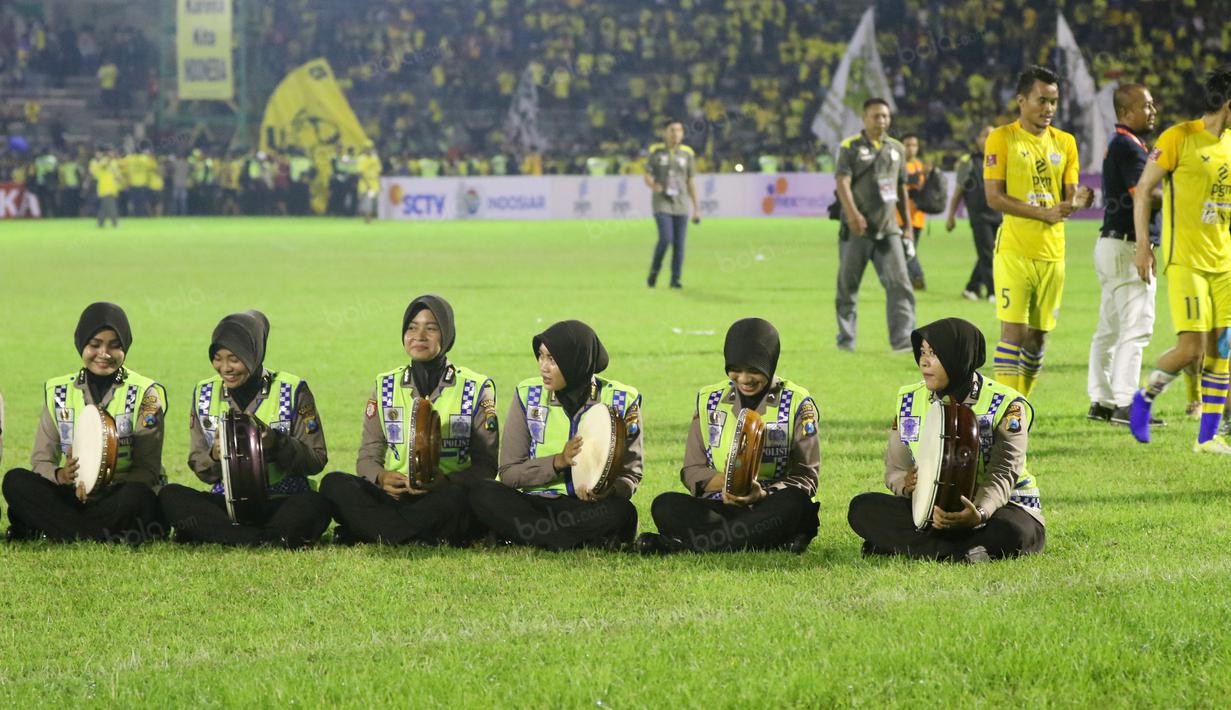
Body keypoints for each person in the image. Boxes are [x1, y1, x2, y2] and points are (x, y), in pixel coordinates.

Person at [847, 318, 1045, 562]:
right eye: (922, 352)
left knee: (1012, 531)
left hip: (1000, 508)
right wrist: (905, 484)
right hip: (933, 510)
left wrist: (978, 513)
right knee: (862, 508)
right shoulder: (909, 400)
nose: (924, 361)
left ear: (959, 356)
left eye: (934, 353)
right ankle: (964, 552)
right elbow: (895, 468)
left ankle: (912, 546)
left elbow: (1003, 473)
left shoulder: (1006, 404)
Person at [320, 295, 498, 546]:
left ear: (447, 334)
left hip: (445, 495)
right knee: (334, 484)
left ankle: (376, 532)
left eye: (431, 328)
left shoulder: (475, 387)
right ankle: (414, 534)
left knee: (465, 500)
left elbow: (486, 466)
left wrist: (445, 482)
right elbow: (368, 456)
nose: (419, 336)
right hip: (397, 497)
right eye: (412, 328)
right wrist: (381, 477)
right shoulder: (385, 385)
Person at [639, 318, 820, 554]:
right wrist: (730, 484)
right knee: (665, 505)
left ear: (770, 363)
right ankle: (760, 539)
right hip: (722, 505)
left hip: (770, 504)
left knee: (796, 503)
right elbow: (692, 470)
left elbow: (806, 477)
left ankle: (685, 547)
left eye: (754, 370)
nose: (744, 379)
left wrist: (760, 493)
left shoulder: (796, 402)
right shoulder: (709, 399)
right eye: (736, 370)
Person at [159, 311, 332, 546]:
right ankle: (266, 538)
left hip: (282, 499)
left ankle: (226, 535)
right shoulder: (204, 394)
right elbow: (201, 467)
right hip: (227, 503)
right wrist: (214, 456)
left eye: (234, 359)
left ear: (254, 354)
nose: (225, 368)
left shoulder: (291, 390)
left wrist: (277, 442)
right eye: (217, 358)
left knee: (316, 504)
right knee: (171, 495)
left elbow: (316, 460)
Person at [468, 321, 642, 550]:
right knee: (483, 492)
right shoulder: (528, 394)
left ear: (576, 360)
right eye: (540, 356)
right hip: (535, 504)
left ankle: (528, 536)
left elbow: (631, 474)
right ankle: (573, 541)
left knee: (622, 512)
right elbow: (509, 473)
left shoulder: (622, 399)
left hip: (585, 510)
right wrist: (557, 462)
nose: (543, 367)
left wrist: (609, 490)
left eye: (552, 359)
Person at [1129, 67, 1231, 453]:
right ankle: (1144, 398)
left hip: (1224, 262)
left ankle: (1208, 437)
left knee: (1222, 349)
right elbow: (1143, 190)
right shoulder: (1179, 137)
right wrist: (1143, 245)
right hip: (1186, 260)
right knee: (1191, 349)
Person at [3, 303, 166, 543]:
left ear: (126, 346)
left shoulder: (145, 393)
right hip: (74, 494)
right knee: (15, 481)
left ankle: (59, 530)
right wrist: (61, 476)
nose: (104, 353)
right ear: (81, 344)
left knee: (137, 497)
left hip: (119, 495)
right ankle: (101, 534)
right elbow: (41, 461)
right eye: (95, 344)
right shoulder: (59, 391)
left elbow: (147, 470)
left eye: (114, 345)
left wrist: (100, 488)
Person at [984, 65, 1094, 396]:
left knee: (1037, 338)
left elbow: (1069, 197)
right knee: (1012, 333)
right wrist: (1042, 213)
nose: (1048, 108)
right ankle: (1008, 415)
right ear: (1022, 100)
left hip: (1052, 254)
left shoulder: (1066, 143)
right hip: (1014, 251)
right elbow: (994, 197)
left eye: (1053, 101)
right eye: (1041, 100)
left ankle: (1021, 402)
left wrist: (1080, 201)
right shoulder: (1001, 138)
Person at [1086, 84, 1164, 426]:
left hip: (1112, 245)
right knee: (1136, 327)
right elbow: (1143, 195)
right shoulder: (1129, 147)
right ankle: (1125, 403)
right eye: (1146, 105)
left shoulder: (1121, 143)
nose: (1153, 110)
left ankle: (1102, 400)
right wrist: (1178, 189)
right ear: (1125, 112)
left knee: (1110, 327)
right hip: (1129, 246)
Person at [834, 98, 916, 352]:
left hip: (888, 229)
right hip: (856, 230)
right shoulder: (850, 147)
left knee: (900, 285)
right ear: (864, 118)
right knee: (848, 287)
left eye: (885, 116)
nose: (881, 120)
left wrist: (907, 226)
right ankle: (846, 341)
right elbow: (842, 182)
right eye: (876, 116)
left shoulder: (897, 148)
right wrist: (853, 215)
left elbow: (901, 189)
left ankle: (903, 340)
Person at [946, 124, 1001, 303]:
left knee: (992, 253)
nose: (990, 139)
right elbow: (958, 191)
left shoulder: (1002, 160)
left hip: (1000, 215)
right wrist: (951, 216)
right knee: (988, 254)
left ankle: (972, 288)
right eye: (986, 135)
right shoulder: (967, 162)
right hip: (980, 216)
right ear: (977, 139)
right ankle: (993, 292)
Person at [644, 118, 699, 289]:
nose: (676, 134)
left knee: (679, 244)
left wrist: (696, 208)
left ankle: (675, 280)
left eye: (679, 130)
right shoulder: (656, 151)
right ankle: (654, 272)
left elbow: (690, 181)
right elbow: (647, 175)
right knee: (666, 238)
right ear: (665, 133)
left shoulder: (687, 153)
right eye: (672, 130)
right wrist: (654, 185)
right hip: (662, 202)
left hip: (681, 203)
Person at [900, 134, 928, 290]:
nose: (911, 148)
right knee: (906, 249)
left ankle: (915, 277)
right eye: (907, 145)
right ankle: (914, 277)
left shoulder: (920, 166)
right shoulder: (898, 164)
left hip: (917, 217)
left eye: (914, 145)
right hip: (899, 217)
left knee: (908, 250)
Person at [88, 144, 121, 228]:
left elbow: (116, 174)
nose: (113, 153)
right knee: (111, 206)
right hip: (104, 188)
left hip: (112, 187)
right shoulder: (103, 161)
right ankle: (115, 223)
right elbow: (101, 167)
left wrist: (119, 180)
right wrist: (108, 159)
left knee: (104, 207)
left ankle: (100, 223)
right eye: (111, 152)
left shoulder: (114, 162)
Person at [356, 141, 381, 224]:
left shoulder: (375, 159)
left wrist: (379, 184)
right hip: (364, 185)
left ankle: (368, 218)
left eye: (370, 148)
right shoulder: (361, 159)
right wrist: (367, 184)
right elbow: (360, 173)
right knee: (367, 202)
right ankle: (367, 219)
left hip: (374, 185)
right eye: (367, 148)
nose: (368, 150)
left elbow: (378, 172)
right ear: (364, 149)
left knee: (372, 202)